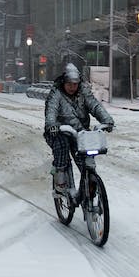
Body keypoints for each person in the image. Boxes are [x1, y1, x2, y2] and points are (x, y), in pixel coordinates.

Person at [44, 63, 114, 199]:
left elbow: (95, 106)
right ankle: (60, 183)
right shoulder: (56, 93)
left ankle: (90, 182)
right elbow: (51, 110)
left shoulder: (84, 92)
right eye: (69, 84)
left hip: (79, 133)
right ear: (64, 82)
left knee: (86, 158)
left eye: (75, 84)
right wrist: (52, 124)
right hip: (58, 131)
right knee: (62, 150)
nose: (72, 87)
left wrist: (106, 120)